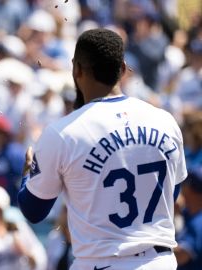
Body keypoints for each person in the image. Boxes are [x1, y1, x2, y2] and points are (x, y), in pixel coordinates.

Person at [18, 28, 187, 270]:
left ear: (76, 69)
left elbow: (33, 210)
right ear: (123, 68)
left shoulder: (62, 133)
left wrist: (27, 174)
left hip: (102, 262)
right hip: (159, 262)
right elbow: (170, 193)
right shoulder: (165, 121)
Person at [174, 170, 202, 269]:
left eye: (186, 184)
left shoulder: (199, 223)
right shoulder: (189, 212)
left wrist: (152, 244)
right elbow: (178, 207)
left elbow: (182, 256)